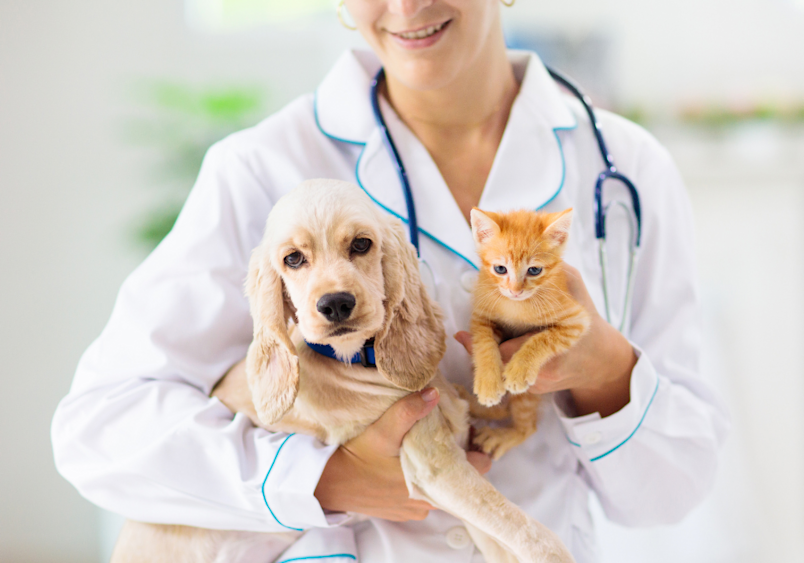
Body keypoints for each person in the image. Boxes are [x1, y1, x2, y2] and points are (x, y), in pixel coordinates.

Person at [52, 1, 729, 562]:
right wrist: (323, 476)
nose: (407, 7)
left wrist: (606, 366)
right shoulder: (259, 169)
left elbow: (670, 492)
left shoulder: (627, 168)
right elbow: (98, 431)